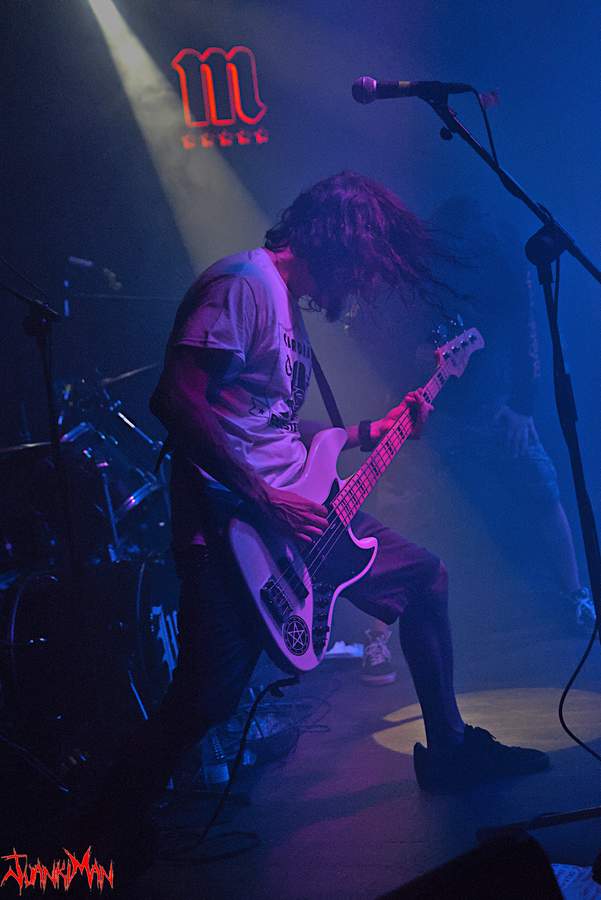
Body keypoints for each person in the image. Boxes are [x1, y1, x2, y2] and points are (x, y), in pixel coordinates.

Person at [82, 174, 550, 863]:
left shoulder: (285, 308)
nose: (360, 290)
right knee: (206, 697)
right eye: (363, 269)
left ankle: (448, 749)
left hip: (299, 518)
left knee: (424, 579)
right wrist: (264, 497)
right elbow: (176, 399)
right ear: (340, 243)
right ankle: (100, 835)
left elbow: (269, 426)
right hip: (235, 528)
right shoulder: (243, 284)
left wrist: (370, 431)